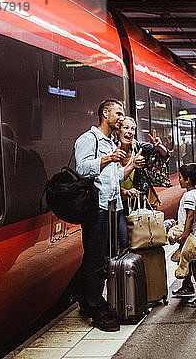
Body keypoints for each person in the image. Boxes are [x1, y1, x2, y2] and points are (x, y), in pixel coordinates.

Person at [73, 99, 140, 332]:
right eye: (118, 113)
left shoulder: (110, 142)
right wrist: (108, 158)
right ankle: (95, 308)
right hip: (97, 209)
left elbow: (114, 177)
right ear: (105, 113)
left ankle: (87, 299)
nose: (122, 118)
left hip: (113, 206)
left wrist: (130, 166)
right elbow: (82, 169)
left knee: (101, 256)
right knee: (95, 260)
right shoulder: (88, 139)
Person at [116, 116, 169, 249]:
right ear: (118, 130)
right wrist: (124, 191)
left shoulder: (138, 147)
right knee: (123, 238)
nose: (130, 131)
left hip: (137, 203)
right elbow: (106, 178)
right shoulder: (111, 149)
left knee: (139, 239)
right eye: (126, 128)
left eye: (132, 129)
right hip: (118, 203)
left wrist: (159, 146)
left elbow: (165, 154)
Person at [171, 163, 196, 307]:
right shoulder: (195, 192)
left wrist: (184, 236)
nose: (178, 180)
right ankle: (187, 285)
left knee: (195, 266)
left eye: (180, 178)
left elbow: (190, 217)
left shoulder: (189, 196)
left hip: (192, 237)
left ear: (187, 180)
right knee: (186, 259)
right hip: (194, 234)